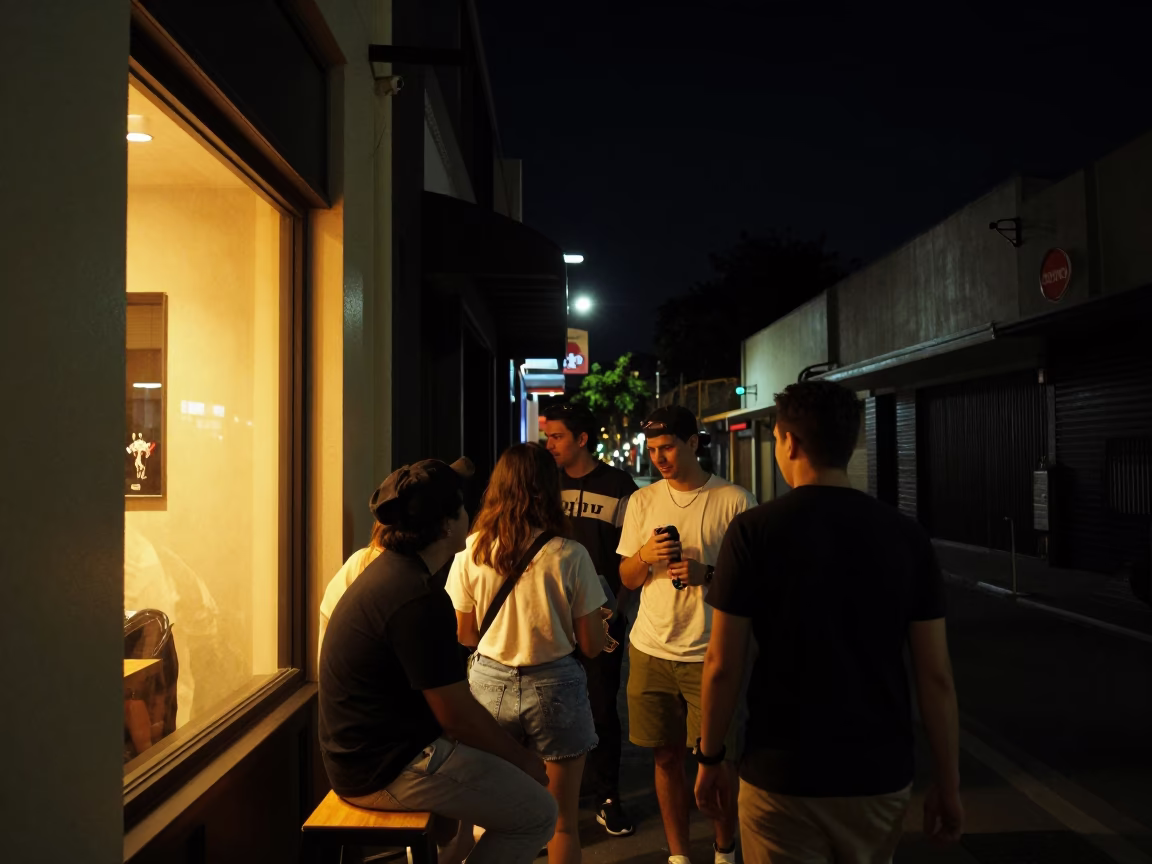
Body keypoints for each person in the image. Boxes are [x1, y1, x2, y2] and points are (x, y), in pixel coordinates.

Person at [695, 381, 964, 864]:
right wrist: (948, 784)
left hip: (781, 773)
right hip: (877, 774)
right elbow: (935, 676)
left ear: (789, 442)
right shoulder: (906, 537)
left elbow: (721, 664)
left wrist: (711, 756)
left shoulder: (754, 531)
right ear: (850, 442)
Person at [319, 457, 558, 864]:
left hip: (361, 757)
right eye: (464, 506)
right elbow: (457, 717)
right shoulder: (416, 598)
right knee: (538, 814)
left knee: (479, 809)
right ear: (448, 525)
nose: (472, 513)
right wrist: (525, 762)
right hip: (383, 769)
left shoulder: (391, 575)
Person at [447, 443, 614, 864]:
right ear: (548, 488)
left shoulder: (470, 551)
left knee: (488, 814)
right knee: (560, 821)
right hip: (556, 686)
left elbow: (465, 634)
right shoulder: (570, 554)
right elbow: (592, 644)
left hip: (488, 684)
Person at [617, 406, 757, 864]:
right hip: (650, 648)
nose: (658, 457)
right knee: (665, 759)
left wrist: (707, 573)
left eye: (667, 447)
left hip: (710, 650)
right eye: (652, 449)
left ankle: (724, 848)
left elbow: (757, 583)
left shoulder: (734, 500)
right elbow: (627, 577)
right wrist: (644, 555)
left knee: (717, 760)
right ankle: (678, 855)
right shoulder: (642, 502)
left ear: (693, 442)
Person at [543, 402, 639, 837]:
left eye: (557, 436)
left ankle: (607, 795)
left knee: (602, 705)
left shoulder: (619, 486)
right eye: (548, 437)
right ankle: (556, 795)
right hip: (549, 618)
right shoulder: (545, 482)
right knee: (551, 705)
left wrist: (618, 606)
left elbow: (630, 554)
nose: (550, 445)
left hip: (602, 615)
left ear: (582, 439)